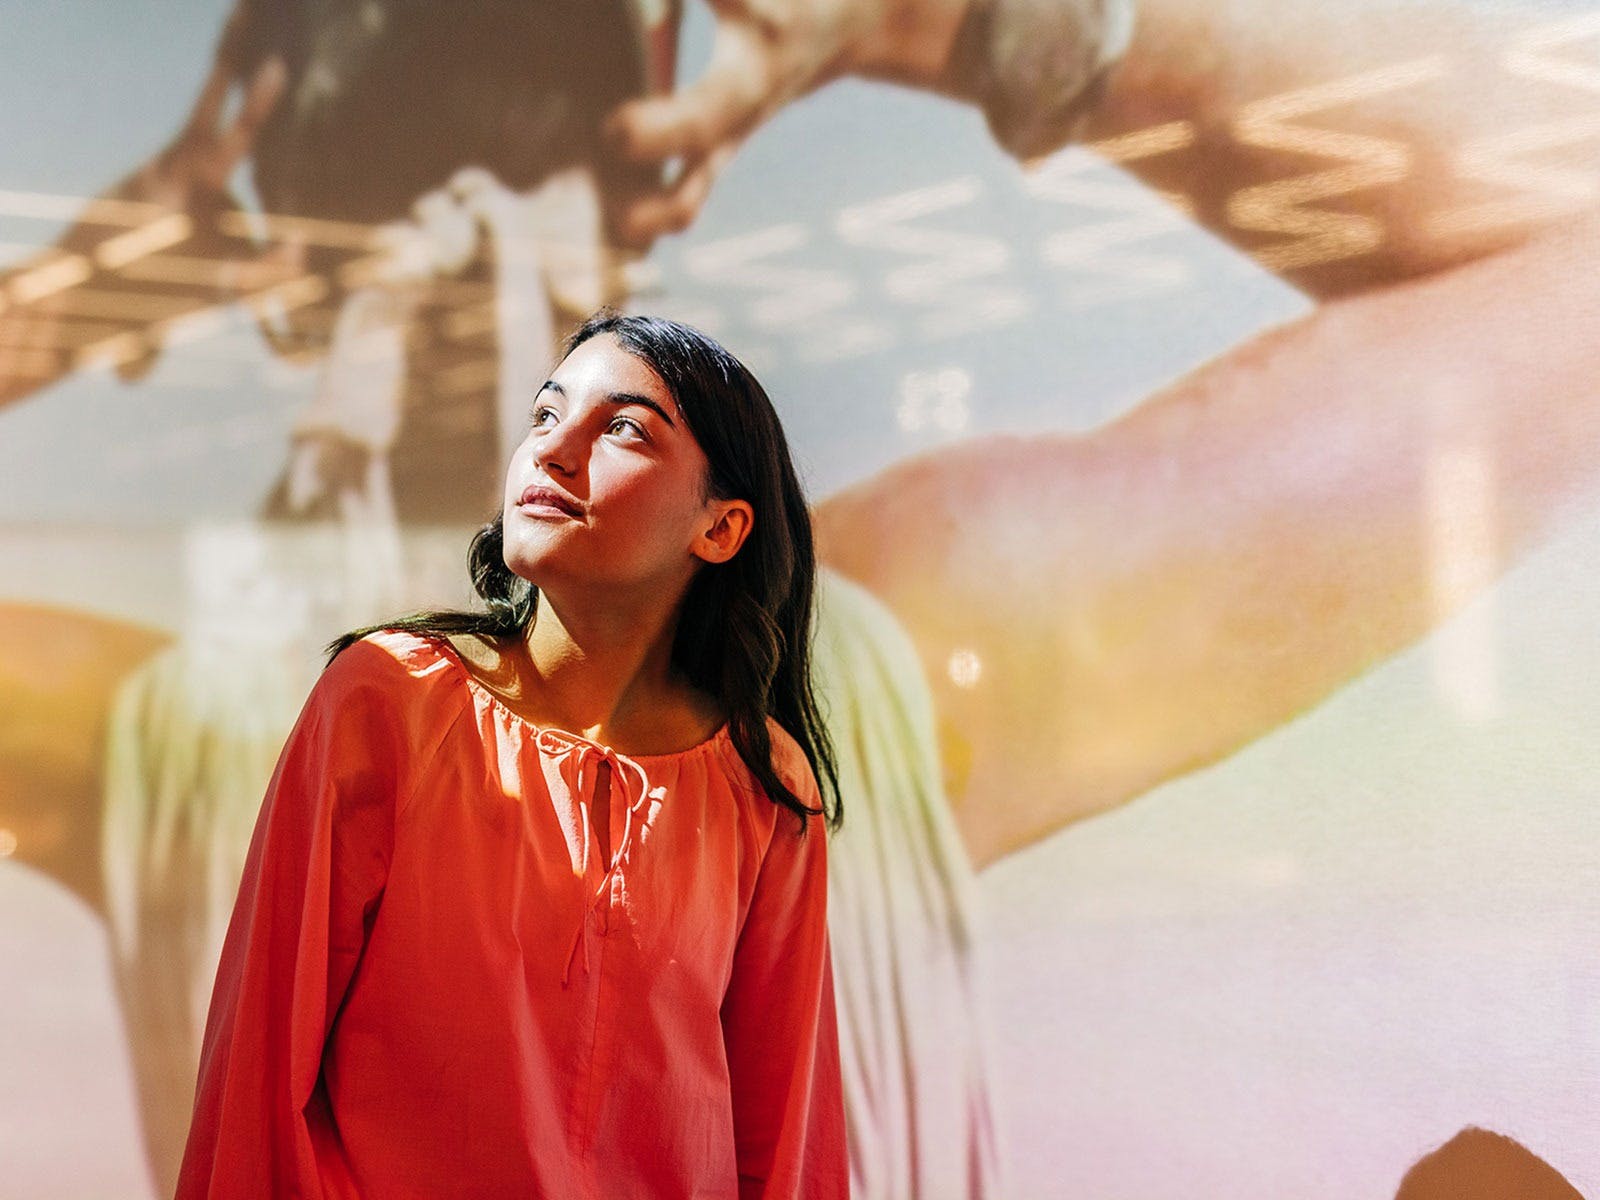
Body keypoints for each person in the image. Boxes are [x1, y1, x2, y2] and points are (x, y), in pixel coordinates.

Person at [174, 312, 850, 1199]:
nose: (552, 452)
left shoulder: (766, 787)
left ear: (720, 530)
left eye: (622, 428)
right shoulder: (389, 701)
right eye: (544, 415)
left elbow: (786, 1142)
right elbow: (259, 1076)